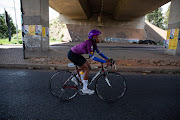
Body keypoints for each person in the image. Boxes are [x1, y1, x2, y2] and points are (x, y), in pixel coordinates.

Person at [67, 29, 110, 95]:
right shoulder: (89, 43)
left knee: (88, 67)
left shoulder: (93, 43)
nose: (100, 38)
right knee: (86, 69)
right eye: (98, 37)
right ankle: (85, 89)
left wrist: (107, 59)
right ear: (94, 37)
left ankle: (75, 78)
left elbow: (99, 52)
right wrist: (104, 61)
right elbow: (92, 57)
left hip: (76, 54)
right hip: (73, 55)